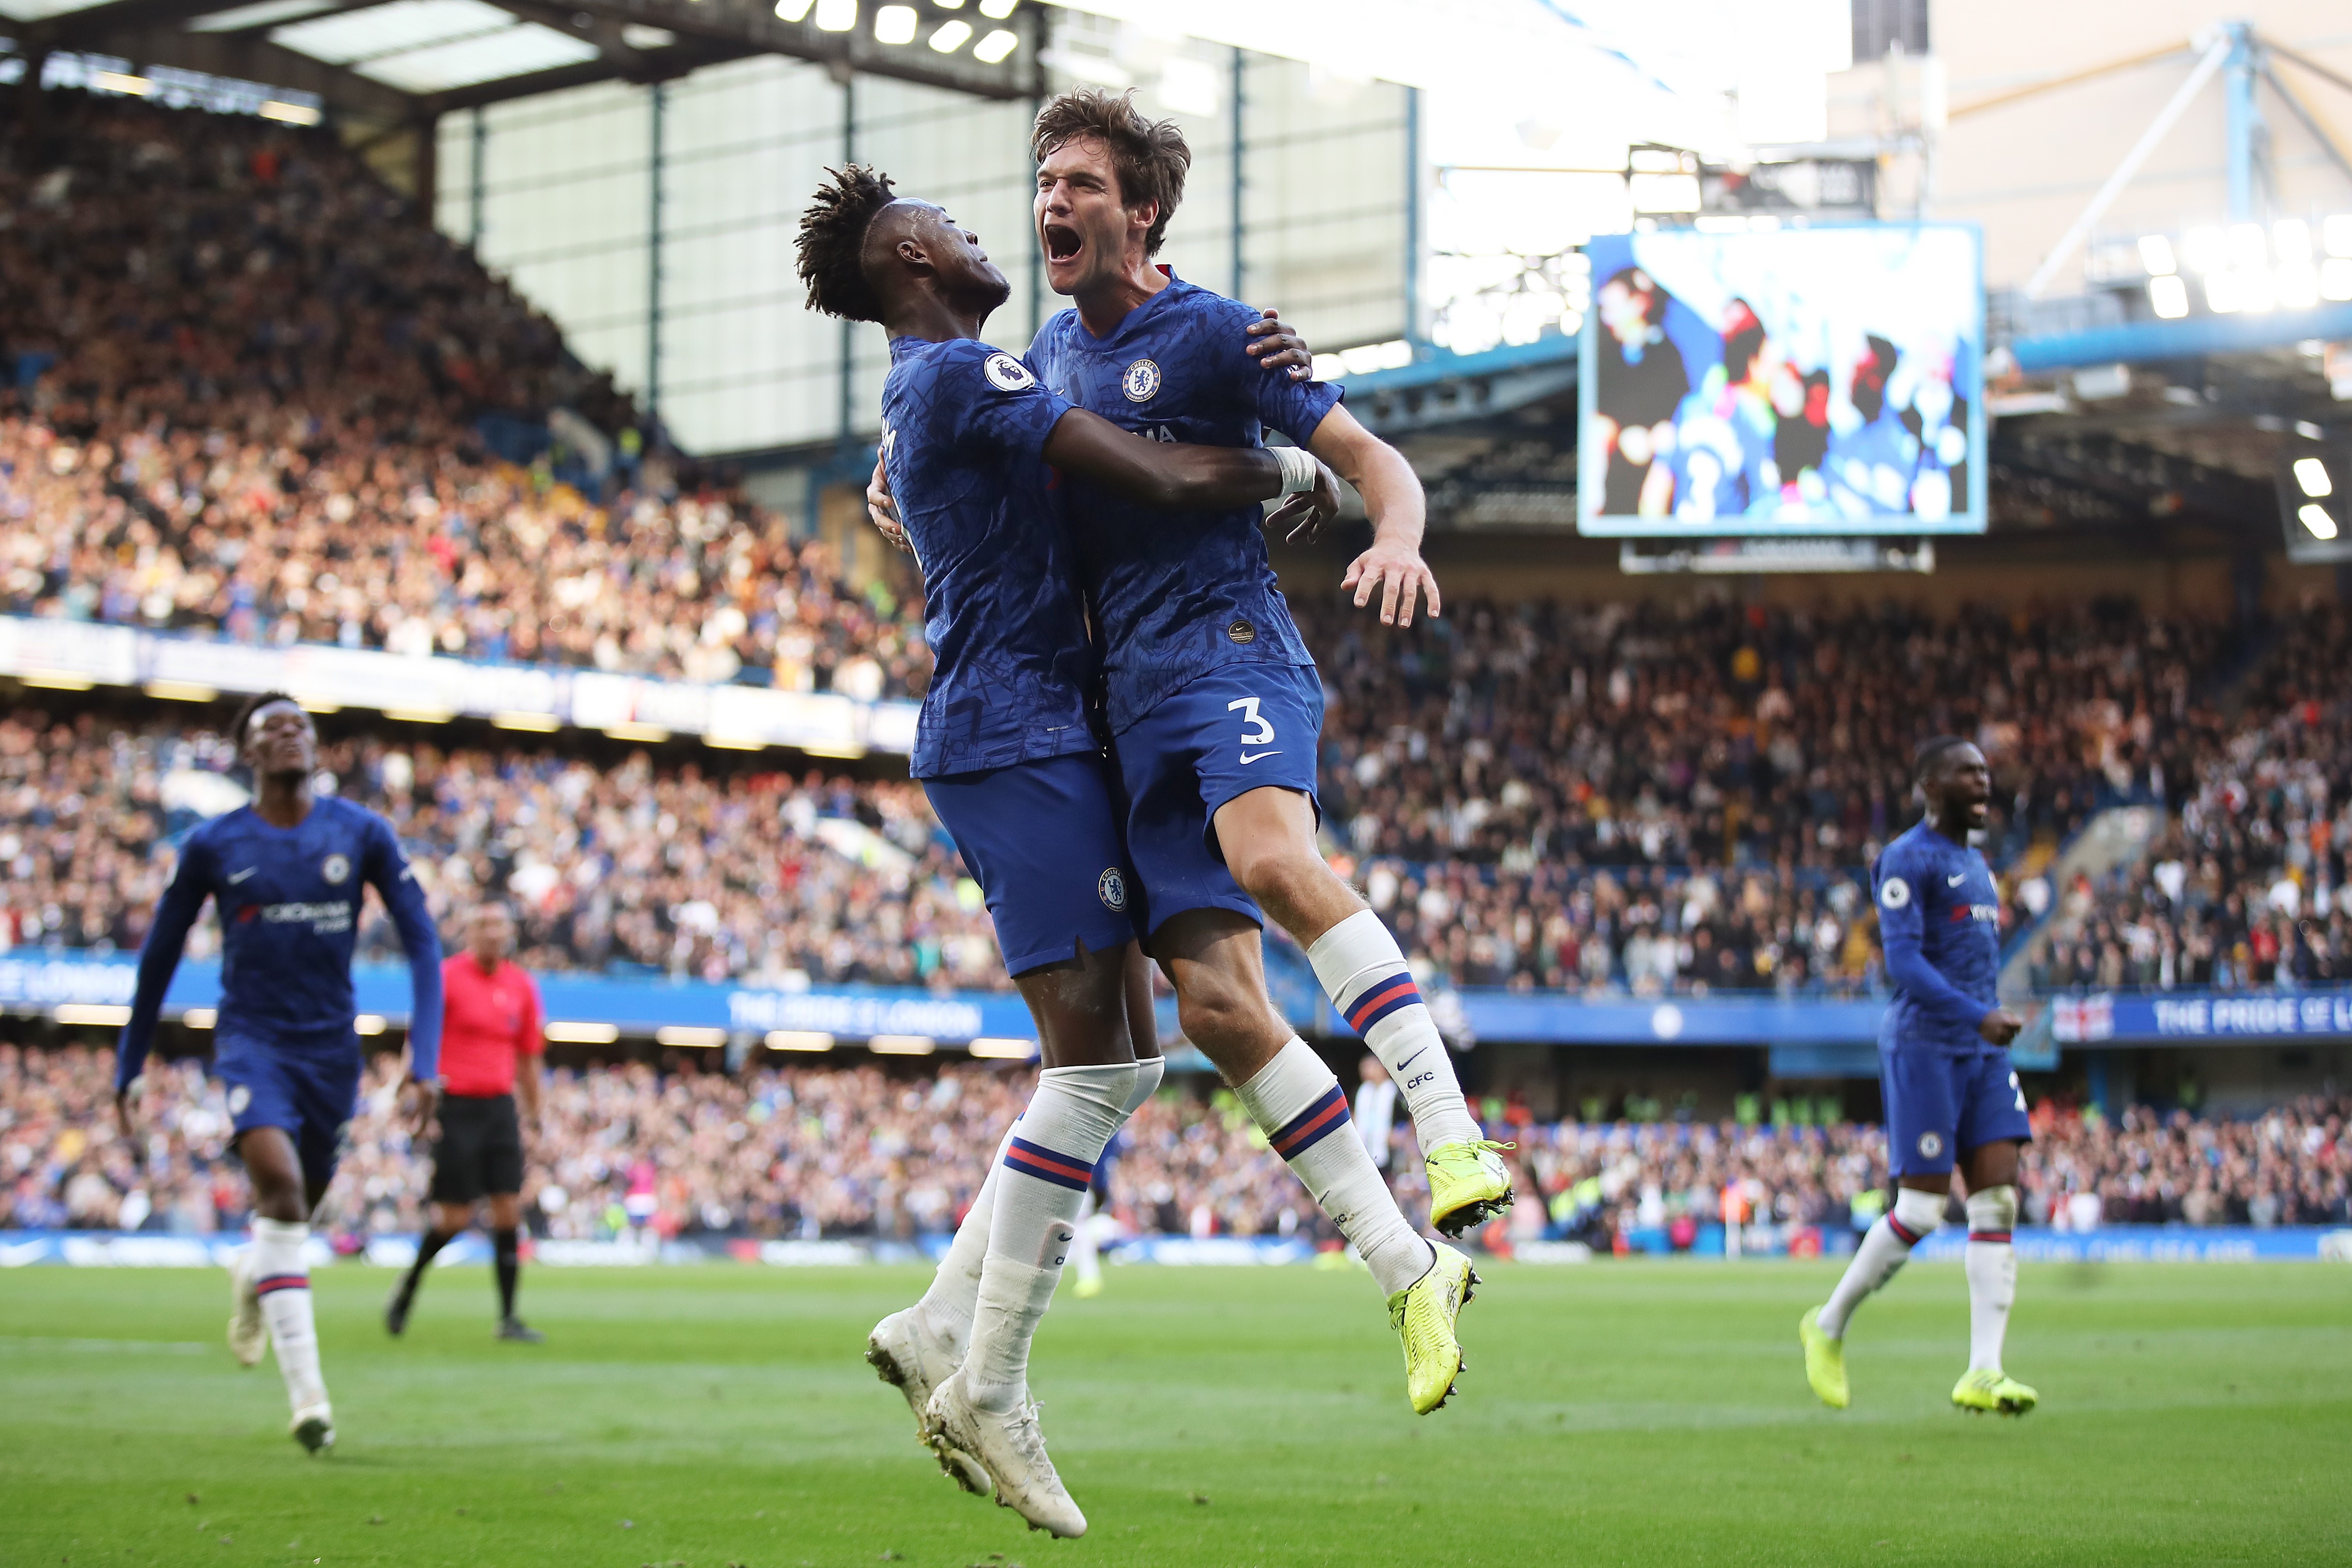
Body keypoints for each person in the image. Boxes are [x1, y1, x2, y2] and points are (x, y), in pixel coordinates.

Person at [793, 163, 1347, 1538]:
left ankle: (940, 1326)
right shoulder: (958, 376)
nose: (988, 234)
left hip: (1038, 729)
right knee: (1098, 1064)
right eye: (962, 224)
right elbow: (1155, 475)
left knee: (1125, 1055)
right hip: (1011, 732)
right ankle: (988, 1377)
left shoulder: (946, 387)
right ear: (913, 254)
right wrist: (1287, 462)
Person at [113, 692, 443, 1454]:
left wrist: (424, 1062)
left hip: (331, 1052)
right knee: (284, 1192)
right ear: (249, 754)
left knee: (293, 1217)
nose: (290, 733)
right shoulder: (214, 844)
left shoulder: (360, 832)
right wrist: (130, 1063)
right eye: (272, 728)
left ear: (316, 748)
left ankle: (252, 1274)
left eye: (301, 725)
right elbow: (159, 956)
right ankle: (310, 1402)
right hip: (252, 1043)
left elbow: (425, 944)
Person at [1800, 737, 2037, 1417]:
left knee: (1998, 1202)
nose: (1983, 780)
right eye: (1968, 771)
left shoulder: (1978, 863)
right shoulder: (1905, 859)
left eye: (1987, 771)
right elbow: (1902, 964)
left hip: (1983, 1053)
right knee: (1923, 1209)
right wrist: (1977, 1015)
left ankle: (1984, 1370)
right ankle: (1828, 1324)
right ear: (1931, 785)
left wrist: (1985, 1024)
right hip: (1927, 1046)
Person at [385, 901, 545, 1343]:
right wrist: (410, 1085)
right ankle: (409, 1287)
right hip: (457, 1105)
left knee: (509, 1208)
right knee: (454, 1218)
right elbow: (419, 1038)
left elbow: (529, 1059)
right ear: (469, 933)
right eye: (483, 925)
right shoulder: (448, 977)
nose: (492, 932)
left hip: (500, 1108)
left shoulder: (522, 986)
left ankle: (509, 1318)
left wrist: (535, 1116)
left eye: (498, 924)